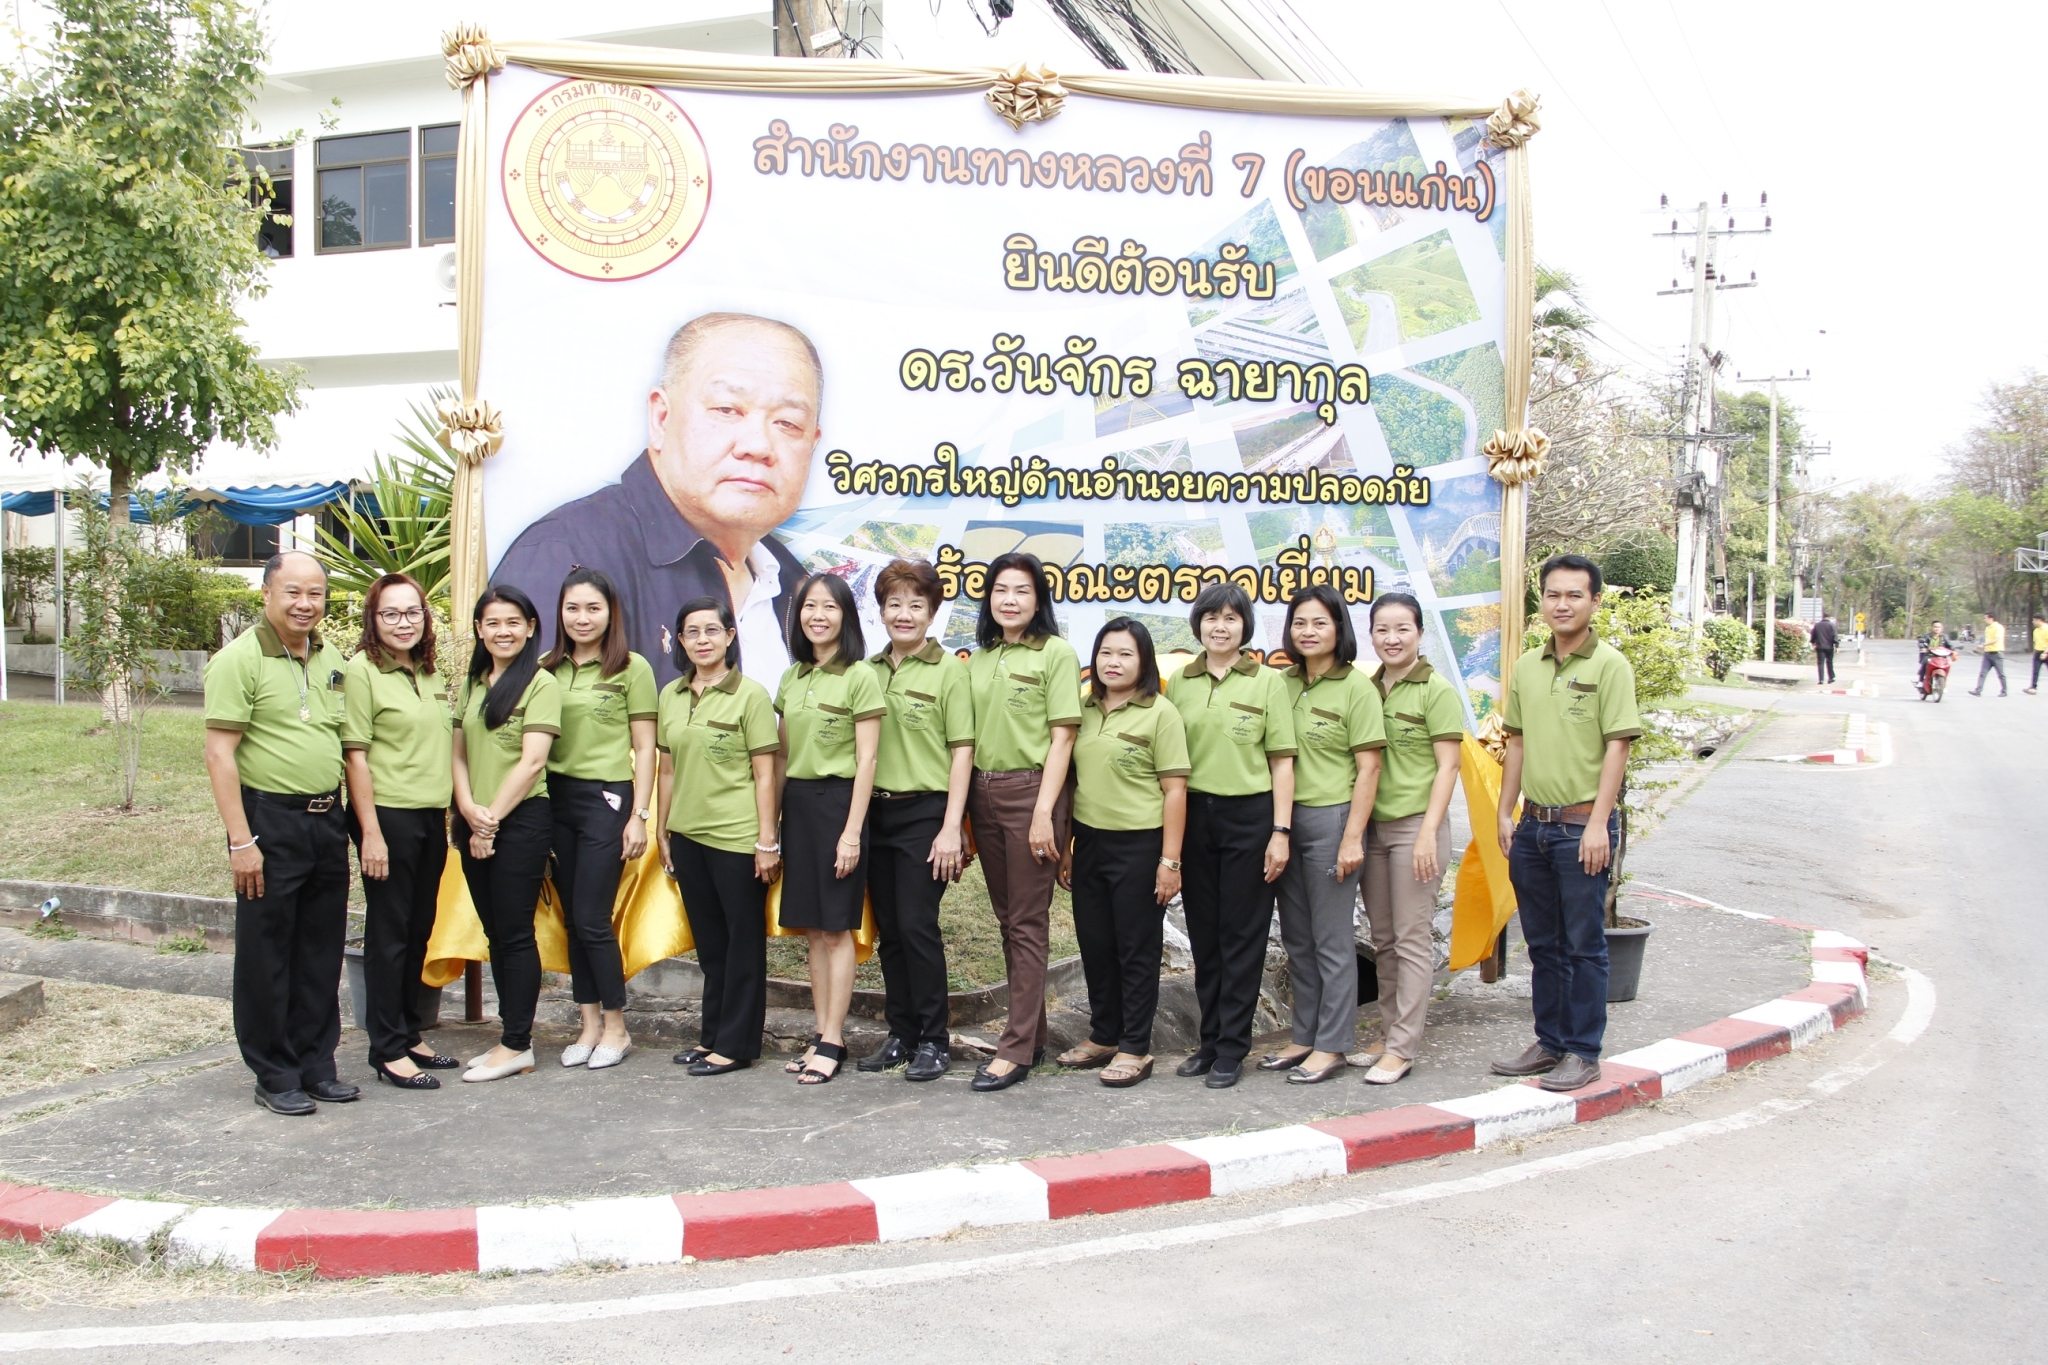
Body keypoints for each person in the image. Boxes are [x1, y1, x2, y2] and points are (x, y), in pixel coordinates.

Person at [492, 313, 824, 688]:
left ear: (812, 443)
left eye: (788, 423)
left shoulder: (792, 581)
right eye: (727, 410)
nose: (758, 445)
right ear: (662, 418)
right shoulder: (565, 555)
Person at [202, 550, 358, 1116]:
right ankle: (274, 1072)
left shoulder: (331, 657)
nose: (305, 604)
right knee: (267, 951)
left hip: (326, 819)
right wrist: (241, 841)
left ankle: (317, 1063)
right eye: (293, 592)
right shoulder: (238, 660)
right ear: (267, 593)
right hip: (269, 821)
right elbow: (220, 755)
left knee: (320, 947)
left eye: (315, 593)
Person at [1492, 555, 1641, 1094]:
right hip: (1533, 826)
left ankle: (1583, 1051)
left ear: (1594, 601)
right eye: (1553, 594)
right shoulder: (1528, 667)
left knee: (1584, 944)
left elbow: (1617, 747)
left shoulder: (1610, 666)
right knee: (1543, 944)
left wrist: (1600, 822)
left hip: (1582, 827)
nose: (1562, 604)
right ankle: (1550, 1041)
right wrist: (1505, 811)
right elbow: (1517, 742)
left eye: (1574, 595)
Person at [1165, 583, 1296, 1090]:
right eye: (1211, 617)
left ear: (1245, 626)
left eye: (1231, 618)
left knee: (1242, 934)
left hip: (1250, 816)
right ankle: (1209, 1040)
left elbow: (1281, 762)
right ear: (1198, 624)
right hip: (1195, 816)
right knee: (1205, 933)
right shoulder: (1181, 682)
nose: (1220, 627)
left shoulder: (1268, 683)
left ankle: (1233, 1047)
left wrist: (1280, 830)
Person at [964, 551, 1082, 1092]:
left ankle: (1013, 1051)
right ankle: (1031, 1038)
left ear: (1039, 601)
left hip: (1032, 793)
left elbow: (1063, 738)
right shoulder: (979, 660)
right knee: (1008, 920)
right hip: (982, 793)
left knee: (1028, 922)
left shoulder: (1056, 653)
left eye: (1022, 591)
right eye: (1000, 590)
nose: (1009, 600)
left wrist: (1043, 816)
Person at [340, 572, 460, 1091]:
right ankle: (387, 1049)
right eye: (391, 614)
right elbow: (355, 756)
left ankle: (409, 1031)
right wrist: (370, 832)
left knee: (418, 929)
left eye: (412, 612)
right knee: (390, 934)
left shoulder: (427, 671)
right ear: (374, 619)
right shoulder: (361, 671)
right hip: (387, 817)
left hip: (430, 817)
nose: (403, 622)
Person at [858, 559, 974, 1083]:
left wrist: (952, 826)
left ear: (931, 613)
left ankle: (934, 1039)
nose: (904, 614)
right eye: (894, 604)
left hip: (926, 812)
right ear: (881, 611)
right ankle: (900, 1034)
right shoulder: (867, 671)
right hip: (875, 813)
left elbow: (962, 751)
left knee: (916, 924)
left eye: (916, 605)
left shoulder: (950, 671)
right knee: (890, 930)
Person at [656, 596, 782, 1076]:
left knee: (741, 944)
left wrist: (766, 840)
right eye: (692, 632)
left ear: (730, 636)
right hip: (688, 836)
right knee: (710, 945)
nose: (702, 640)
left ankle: (736, 1045)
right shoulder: (671, 695)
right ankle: (711, 1037)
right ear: (681, 641)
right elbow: (667, 770)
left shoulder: (750, 695)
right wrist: (663, 828)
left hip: (736, 838)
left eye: (712, 630)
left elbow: (765, 775)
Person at [539, 569, 658, 1071]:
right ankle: (587, 1024)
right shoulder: (545, 669)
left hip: (607, 800)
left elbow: (646, 747)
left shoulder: (631, 667)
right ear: (560, 612)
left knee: (592, 917)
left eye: (593, 608)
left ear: (611, 613)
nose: (582, 618)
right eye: (573, 608)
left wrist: (639, 815)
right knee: (572, 918)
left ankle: (616, 1027)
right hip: (554, 799)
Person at [1264, 586, 1383, 1086]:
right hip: (1283, 824)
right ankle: (1304, 1035)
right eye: (1299, 622)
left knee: (1331, 939)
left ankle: (1332, 1044)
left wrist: (1352, 836)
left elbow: (1369, 768)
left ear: (1339, 629)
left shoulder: (1356, 688)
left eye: (1319, 623)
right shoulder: (1281, 684)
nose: (1308, 632)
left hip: (1332, 820)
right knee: (1297, 938)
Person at [773, 573, 885, 1085]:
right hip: (797, 807)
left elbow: (868, 761)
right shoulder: (792, 677)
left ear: (846, 616)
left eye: (829, 607)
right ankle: (820, 1034)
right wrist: (771, 825)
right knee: (813, 931)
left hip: (839, 805)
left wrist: (852, 832)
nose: (817, 615)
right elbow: (781, 757)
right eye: (809, 606)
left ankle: (834, 1041)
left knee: (837, 929)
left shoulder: (860, 676)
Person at [451, 586, 560, 1084]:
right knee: (494, 932)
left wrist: (489, 820)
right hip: (472, 817)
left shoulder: (540, 683)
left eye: (514, 622)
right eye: (492, 622)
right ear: (479, 629)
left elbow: (533, 762)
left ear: (531, 627)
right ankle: (507, 1038)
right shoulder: (473, 683)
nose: (503, 631)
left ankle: (518, 1043)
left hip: (520, 821)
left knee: (515, 933)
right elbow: (457, 754)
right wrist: (468, 810)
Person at [1360, 592, 1465, 1086]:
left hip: (1415, 828)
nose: (1392, 638)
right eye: (1382, 629)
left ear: (1420, 633)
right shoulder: (1367, 688)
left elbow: (1449, 766)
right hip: (1373, 829)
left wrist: (1427, 833)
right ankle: (1388, 1034)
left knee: (1411, 939)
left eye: (1402, 628)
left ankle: (1403, 1047)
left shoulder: (1435, 690)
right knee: (1383, 940)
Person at [1970, 613, 2008, 697]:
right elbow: (1986, 639)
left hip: (1997, 654)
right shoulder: (1987, 628)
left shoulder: (1998, 627)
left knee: (2001, 674)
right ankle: (1978, 690)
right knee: (1983, 673)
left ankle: (2004, 691)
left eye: (1985, 618)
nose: (1984, 620)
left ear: (1991, 618)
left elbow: (1996, 639)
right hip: (1987, 654)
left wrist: (1984, 644)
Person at [1811, 612, 1839, 685]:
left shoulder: (1817, 625)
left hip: (1820, 647)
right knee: (1829, 662)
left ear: (1822, 617)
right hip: (1829, 647)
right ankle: (1831, 678)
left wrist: (1813, 642)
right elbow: (1835, 636)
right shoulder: (1831, 625)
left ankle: (1821, 679)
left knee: (1820, 663)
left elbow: (1813, 635)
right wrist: (1837, 646)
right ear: (1829, 617)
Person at [2026, 614, 2047, 694]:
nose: (2033, 622)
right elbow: (2036, 642)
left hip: (2046, 652)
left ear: (2039, 620)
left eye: (2034, 620)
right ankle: (2033, 687)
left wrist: (2045, 653)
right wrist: (2035, 652)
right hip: (2038, 652)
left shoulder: (2046, 629)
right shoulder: (2036, 631)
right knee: (2035, 671)